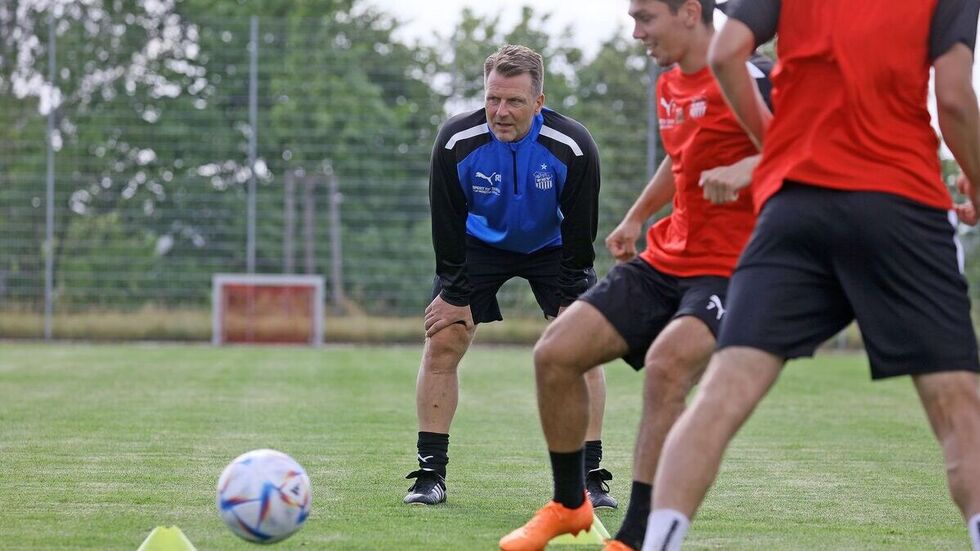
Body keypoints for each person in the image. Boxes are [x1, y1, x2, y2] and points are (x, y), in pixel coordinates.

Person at [641, 0, 980, 550]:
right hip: (900, 205)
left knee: (721, 393)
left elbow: (727, 51)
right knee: (957, 405)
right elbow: (956, 100)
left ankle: (657, 543)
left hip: (794, 209)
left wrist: (777, 151)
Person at [498, 1, 772, 549]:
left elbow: (805, 151)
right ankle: (570, 505)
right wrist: (637, 216)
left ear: (690, 12)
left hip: (735, 269)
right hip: (667, 257)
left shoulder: (756, 77)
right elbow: (682, 157)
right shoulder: (671, 82)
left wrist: (746, 168)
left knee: (668, 367)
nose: (636, 33)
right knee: (556, 353)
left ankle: (636, 537)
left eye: (645, 18)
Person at [403, 44, 617, 509]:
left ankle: (590, 476)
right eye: (493, 99)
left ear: (539, 102)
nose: (501, 112)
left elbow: (581, 234)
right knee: (444, 338)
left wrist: (571, 295)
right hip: (478, 245)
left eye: (514, 101)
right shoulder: (456, 142)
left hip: (553, 247)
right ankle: (429, 474)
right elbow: (446, 221)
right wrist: (455, 294)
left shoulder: (573, 146)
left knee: (583, 347)